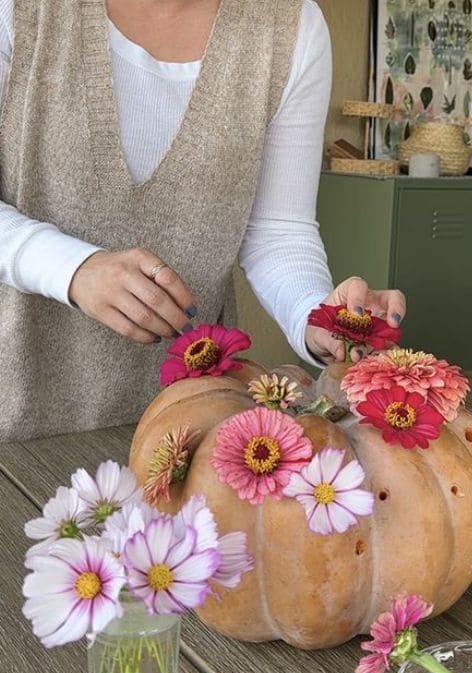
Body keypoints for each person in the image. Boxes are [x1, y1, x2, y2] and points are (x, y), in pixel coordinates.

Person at [0, 0, 405, 443]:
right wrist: (73, 269)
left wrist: (315, 317)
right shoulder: (20, 10)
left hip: (196, 425)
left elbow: (278, 231)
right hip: (18, 409)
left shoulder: (291, 26)